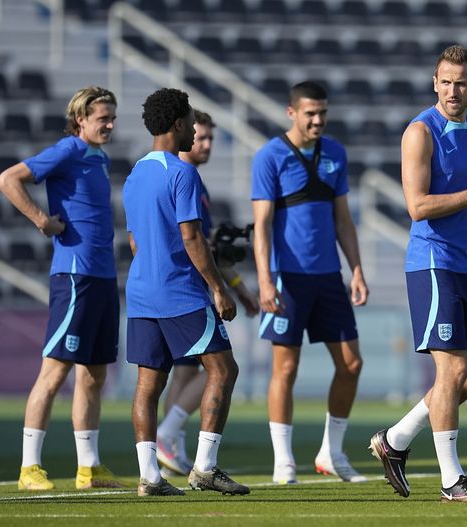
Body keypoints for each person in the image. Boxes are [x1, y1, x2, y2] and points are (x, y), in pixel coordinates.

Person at [369, 45, 467, 502]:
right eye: (445, 81)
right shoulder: (419, 132)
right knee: (450, 368)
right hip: (432, 263)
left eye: (462, 82)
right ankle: (452, 481)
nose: (453, 89)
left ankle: (395, 441)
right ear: (435, 83)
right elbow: (417, 207)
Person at [0, 86, 125, 491]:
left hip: (103, 277)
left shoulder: (99, 157)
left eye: (112, 118)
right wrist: (41, 219)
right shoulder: (68, 150)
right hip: (75, 276)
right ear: (81, 119)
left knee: (95, 375)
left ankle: (89, 468)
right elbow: (8, 179)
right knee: (54, 372)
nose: (109, 124)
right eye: (102, 118)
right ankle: (28, 468)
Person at [123, 88, 249, 496]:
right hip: (179, 292)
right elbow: (192, 237)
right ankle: (205, 469)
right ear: (177, 124)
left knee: (148, 384)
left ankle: (149, 477)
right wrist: (218, 288)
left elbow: (134, 241)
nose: (196, 129)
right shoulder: (182, 172)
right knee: (224, 370)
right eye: (192, 121)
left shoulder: (135, 173)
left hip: (141, 293)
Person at [252, 81, 368, 485]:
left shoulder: (336, 153)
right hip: (288, 280)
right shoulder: (269, 157)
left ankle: (331, 453)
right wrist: (265, 280)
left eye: (323, 113)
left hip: (328, 279)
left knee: (351, 364)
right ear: (291, 113)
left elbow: (343, 220)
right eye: (310, 113)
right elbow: (262, 227)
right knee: (286, 368)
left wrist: (355, 269)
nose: (317, 120)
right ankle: (283, 461)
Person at [155, 110, 259, 477]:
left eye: (212, 139)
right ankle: (167, 434)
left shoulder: (178, 177)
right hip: (190, 290)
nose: (207, 145)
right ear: (185, 134)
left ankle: (167, 447)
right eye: (202, 137)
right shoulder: (186, 179)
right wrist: (232, 288)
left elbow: (204, 243)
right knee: (216, 366)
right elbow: (195, 243)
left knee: (183, 372)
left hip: (175, 287)